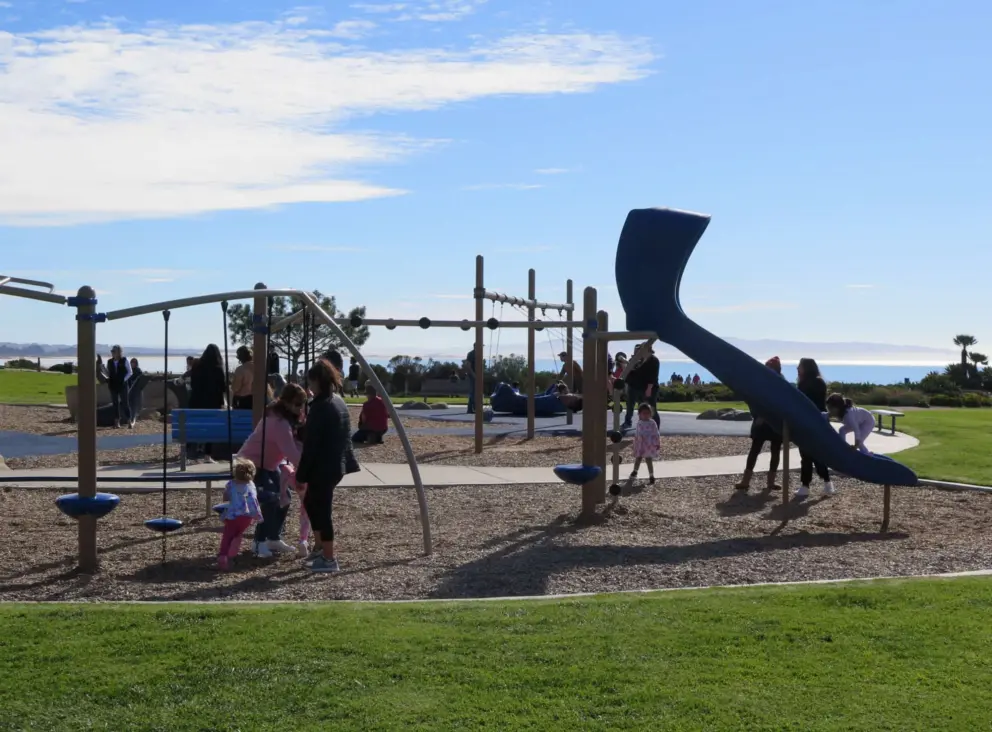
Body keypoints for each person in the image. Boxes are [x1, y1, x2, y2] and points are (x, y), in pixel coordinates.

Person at [297, 359, 355, 573]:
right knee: (312, 504)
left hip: (323, 466)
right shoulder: (337, 401)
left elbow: (311, 446)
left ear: (317, 381)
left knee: (321, 510)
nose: (309, 387)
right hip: (335, 463)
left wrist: (301, 474)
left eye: (310, 382)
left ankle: (329, 559)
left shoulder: (321, 407)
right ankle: (321, 547)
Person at [237, 383, 307, 558]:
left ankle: (273, 537)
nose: (300, 409)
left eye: (302, 404)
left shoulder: (284, 418)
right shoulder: (278, 422)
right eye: (298, 404)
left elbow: (296, 444)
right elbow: (292, 452)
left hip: (269, 464)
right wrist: (309, 468)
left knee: (285, 497)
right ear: (287, 402)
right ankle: (258, 542)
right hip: (251, 464)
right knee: (271, 499)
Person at [735, 356, 786, 492]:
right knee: (755, 450)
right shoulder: (761, 381)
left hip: (775, 422)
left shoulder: (781, 382)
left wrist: (766, 416)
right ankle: (745, 481)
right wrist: (758, 416)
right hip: (761, 422)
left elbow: (781, 403)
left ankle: (770, 482)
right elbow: (755, 400)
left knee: (775, 451)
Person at [796, 358, 835, 497]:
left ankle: (813, 484)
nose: (797, 368)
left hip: (812, 422)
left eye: (800, 366)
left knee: (811, 454)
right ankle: (820, 484)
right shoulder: (813, 382)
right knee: (809, 454)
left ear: (806, 367)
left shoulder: (812, 383)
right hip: (811, 422)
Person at [216, 458, 263, 571]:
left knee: (227, 535)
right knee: (238, 533)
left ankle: (223, 555)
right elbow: (254, 501)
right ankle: (233, 551)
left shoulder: (231, 484)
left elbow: (225, 498)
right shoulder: (251, 486)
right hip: (246, 517)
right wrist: (257, 515)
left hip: (232, 515)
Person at [188, 344, 228, 462]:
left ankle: (192, 454)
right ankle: (207, 455)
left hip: (196, 401)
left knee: (195, 427)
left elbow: (193, 384)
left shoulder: (197, 366)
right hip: (212, 403)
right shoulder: (218, 368)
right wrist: (221, 402)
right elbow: (223, 388)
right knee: (210, 427)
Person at [624, 345, 660, 429]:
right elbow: (630, 373)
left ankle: (655, 427)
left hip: (648, 388)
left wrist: (649, 388)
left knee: (651, 407)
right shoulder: (636, 360)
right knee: (631, 406)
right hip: (634, 386)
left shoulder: (654, 361)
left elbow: (653, 376)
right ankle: (631, 423)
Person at [630, 402, 660, 485]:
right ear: (639, 414)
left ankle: (651, 476)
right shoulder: (639, 423)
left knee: (648, 460)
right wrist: (635, 444)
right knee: (638, 458)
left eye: (648, 413)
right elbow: (637, 434)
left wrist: (657, 442)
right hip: (640, 444)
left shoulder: (652, 423)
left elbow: (656, 433)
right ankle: (635, 471)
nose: (646, 415)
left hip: (649, 445)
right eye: (644, 413)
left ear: (651, 413)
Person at [106, 345, 132, 429]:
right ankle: (117, 422)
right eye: (112, 351)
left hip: (123, 385)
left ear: (119, 352)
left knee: (125, 403)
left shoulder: (124, 360)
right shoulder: (109, 362)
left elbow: (130, 372)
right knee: (115, 403)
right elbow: (108, 373)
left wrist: (123, 380)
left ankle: (129, 421)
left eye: (114, 351)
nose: (112, 353)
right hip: (113, 385)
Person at [231, 346, 254, 410]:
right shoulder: (258, 367)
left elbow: (235, 388)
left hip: (243, 401)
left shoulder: (240, 369)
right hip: (257, 400)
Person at [126, 357, 144, 427]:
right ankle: (130, 418)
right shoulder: (129, 371)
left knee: (135, 405)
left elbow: (140, 380)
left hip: (136, 392)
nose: (132, 364)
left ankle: (133, 419)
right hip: (129, 390)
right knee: (130, 405)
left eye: (134, 362)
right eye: (131, 362)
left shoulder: (138, 371)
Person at [464, 345, 480, 414]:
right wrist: (473, 374)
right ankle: (470, 409)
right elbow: (468, 365)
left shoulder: (479, 353)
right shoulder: (471, 354)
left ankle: (475, 408)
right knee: (473, 392)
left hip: (477, 375)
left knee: (477, 392)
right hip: (473, 375)